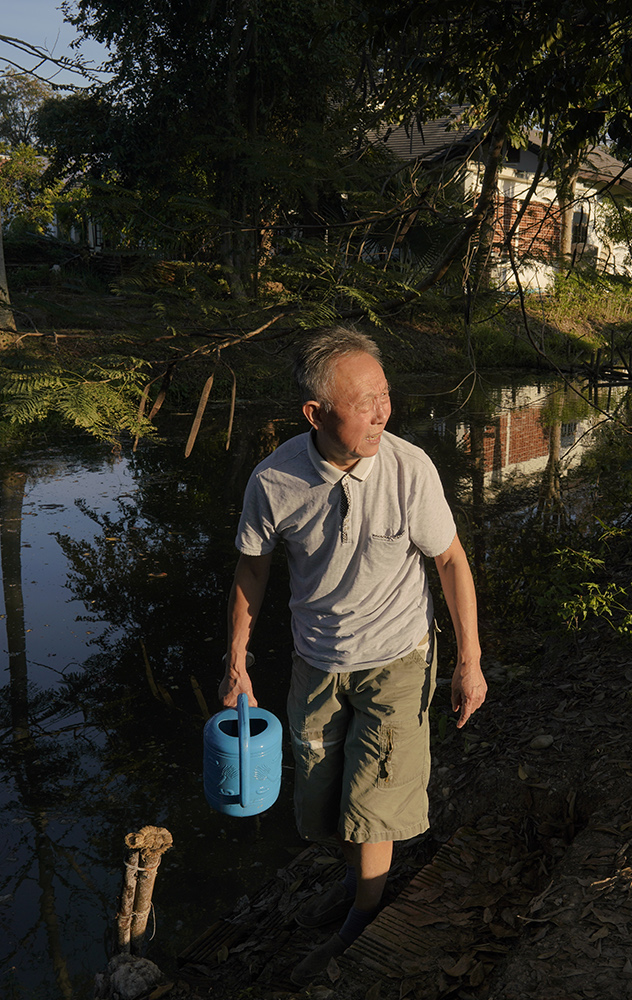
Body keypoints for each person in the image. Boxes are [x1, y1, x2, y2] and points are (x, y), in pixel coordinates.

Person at [220, 327, 486, 985]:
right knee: (325, 800)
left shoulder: (409, 469)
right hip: (318, 660)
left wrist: (469, 660)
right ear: (315, 414)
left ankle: (364, 918)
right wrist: (236, 659)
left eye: (385, 396)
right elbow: (251, 569)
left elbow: (449, 559)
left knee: (372, 805)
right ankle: (357, 884)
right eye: (364, 401)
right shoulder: (275, 480)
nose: (381, 412)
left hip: (398, 657)